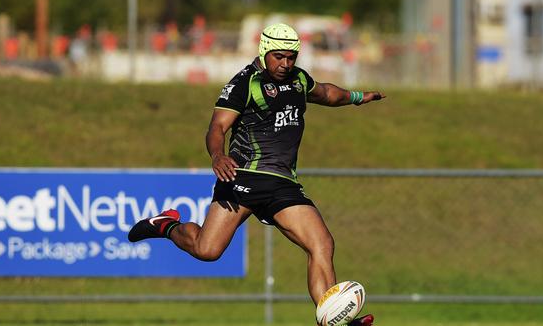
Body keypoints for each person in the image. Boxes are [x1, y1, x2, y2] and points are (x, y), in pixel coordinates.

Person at [129, 23, 385, 326]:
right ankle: (166, 225)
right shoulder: (244, 83)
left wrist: (358, 96)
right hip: (242, 176)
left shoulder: (299, 79)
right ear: (264, 51)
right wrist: (217, 154)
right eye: (279, 57)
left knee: (322, 244)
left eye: (291, 57)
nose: (285, 64)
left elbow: (328, 93)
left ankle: (332, 321)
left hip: (283, 184)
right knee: (207, 250)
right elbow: (217, 127)